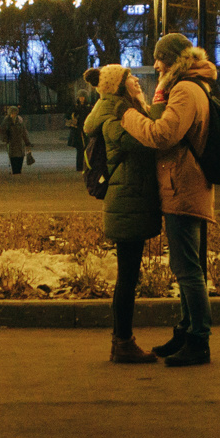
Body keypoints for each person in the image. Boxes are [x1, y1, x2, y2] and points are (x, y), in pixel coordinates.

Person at [116, 32, 220, 368]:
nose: (156, 64)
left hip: (184, 186)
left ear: (175, 59)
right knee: (186, 266)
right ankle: (186, 331)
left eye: (161, 58)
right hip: (183, 184)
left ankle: (199, 340)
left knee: (188, 269)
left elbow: (162, 135)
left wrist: (126, 116)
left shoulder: (186, 90)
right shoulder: (186, 87)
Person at [86, 63, 165, 363]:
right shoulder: (115, 120)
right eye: (130, 77)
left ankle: (121, 341)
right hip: (125, 203)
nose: (136, 80)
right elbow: (146, 141)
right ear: (118, 86)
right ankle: (122, 341)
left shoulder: (121, 113)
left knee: (128, 275)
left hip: (128, 201)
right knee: (127, 277)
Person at [0, 105, 31, 174]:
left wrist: (27, 141)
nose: (14, 113)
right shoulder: (7, 120)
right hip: (11, 142)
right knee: (13, 157)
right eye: (13, 112)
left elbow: (24, 131)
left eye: (15, 112)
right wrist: (5, 139)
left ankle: (18, 170)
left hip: (19, 142)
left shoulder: (19, 119)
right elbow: (2, 130)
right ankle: (15, 171)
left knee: (20, 156)